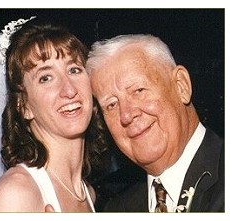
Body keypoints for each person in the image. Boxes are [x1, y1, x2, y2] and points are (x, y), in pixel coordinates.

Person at [0, 17, 106, 212]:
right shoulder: (16, 194)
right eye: (46, 78)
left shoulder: (87, 192)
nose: (69, 90)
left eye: (74, 69)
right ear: (23, 106)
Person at [86, 34, 224, 212]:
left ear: (181, 86)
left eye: (138, 90)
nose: (126, 115)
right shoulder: (116, 209)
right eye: (111, 104)